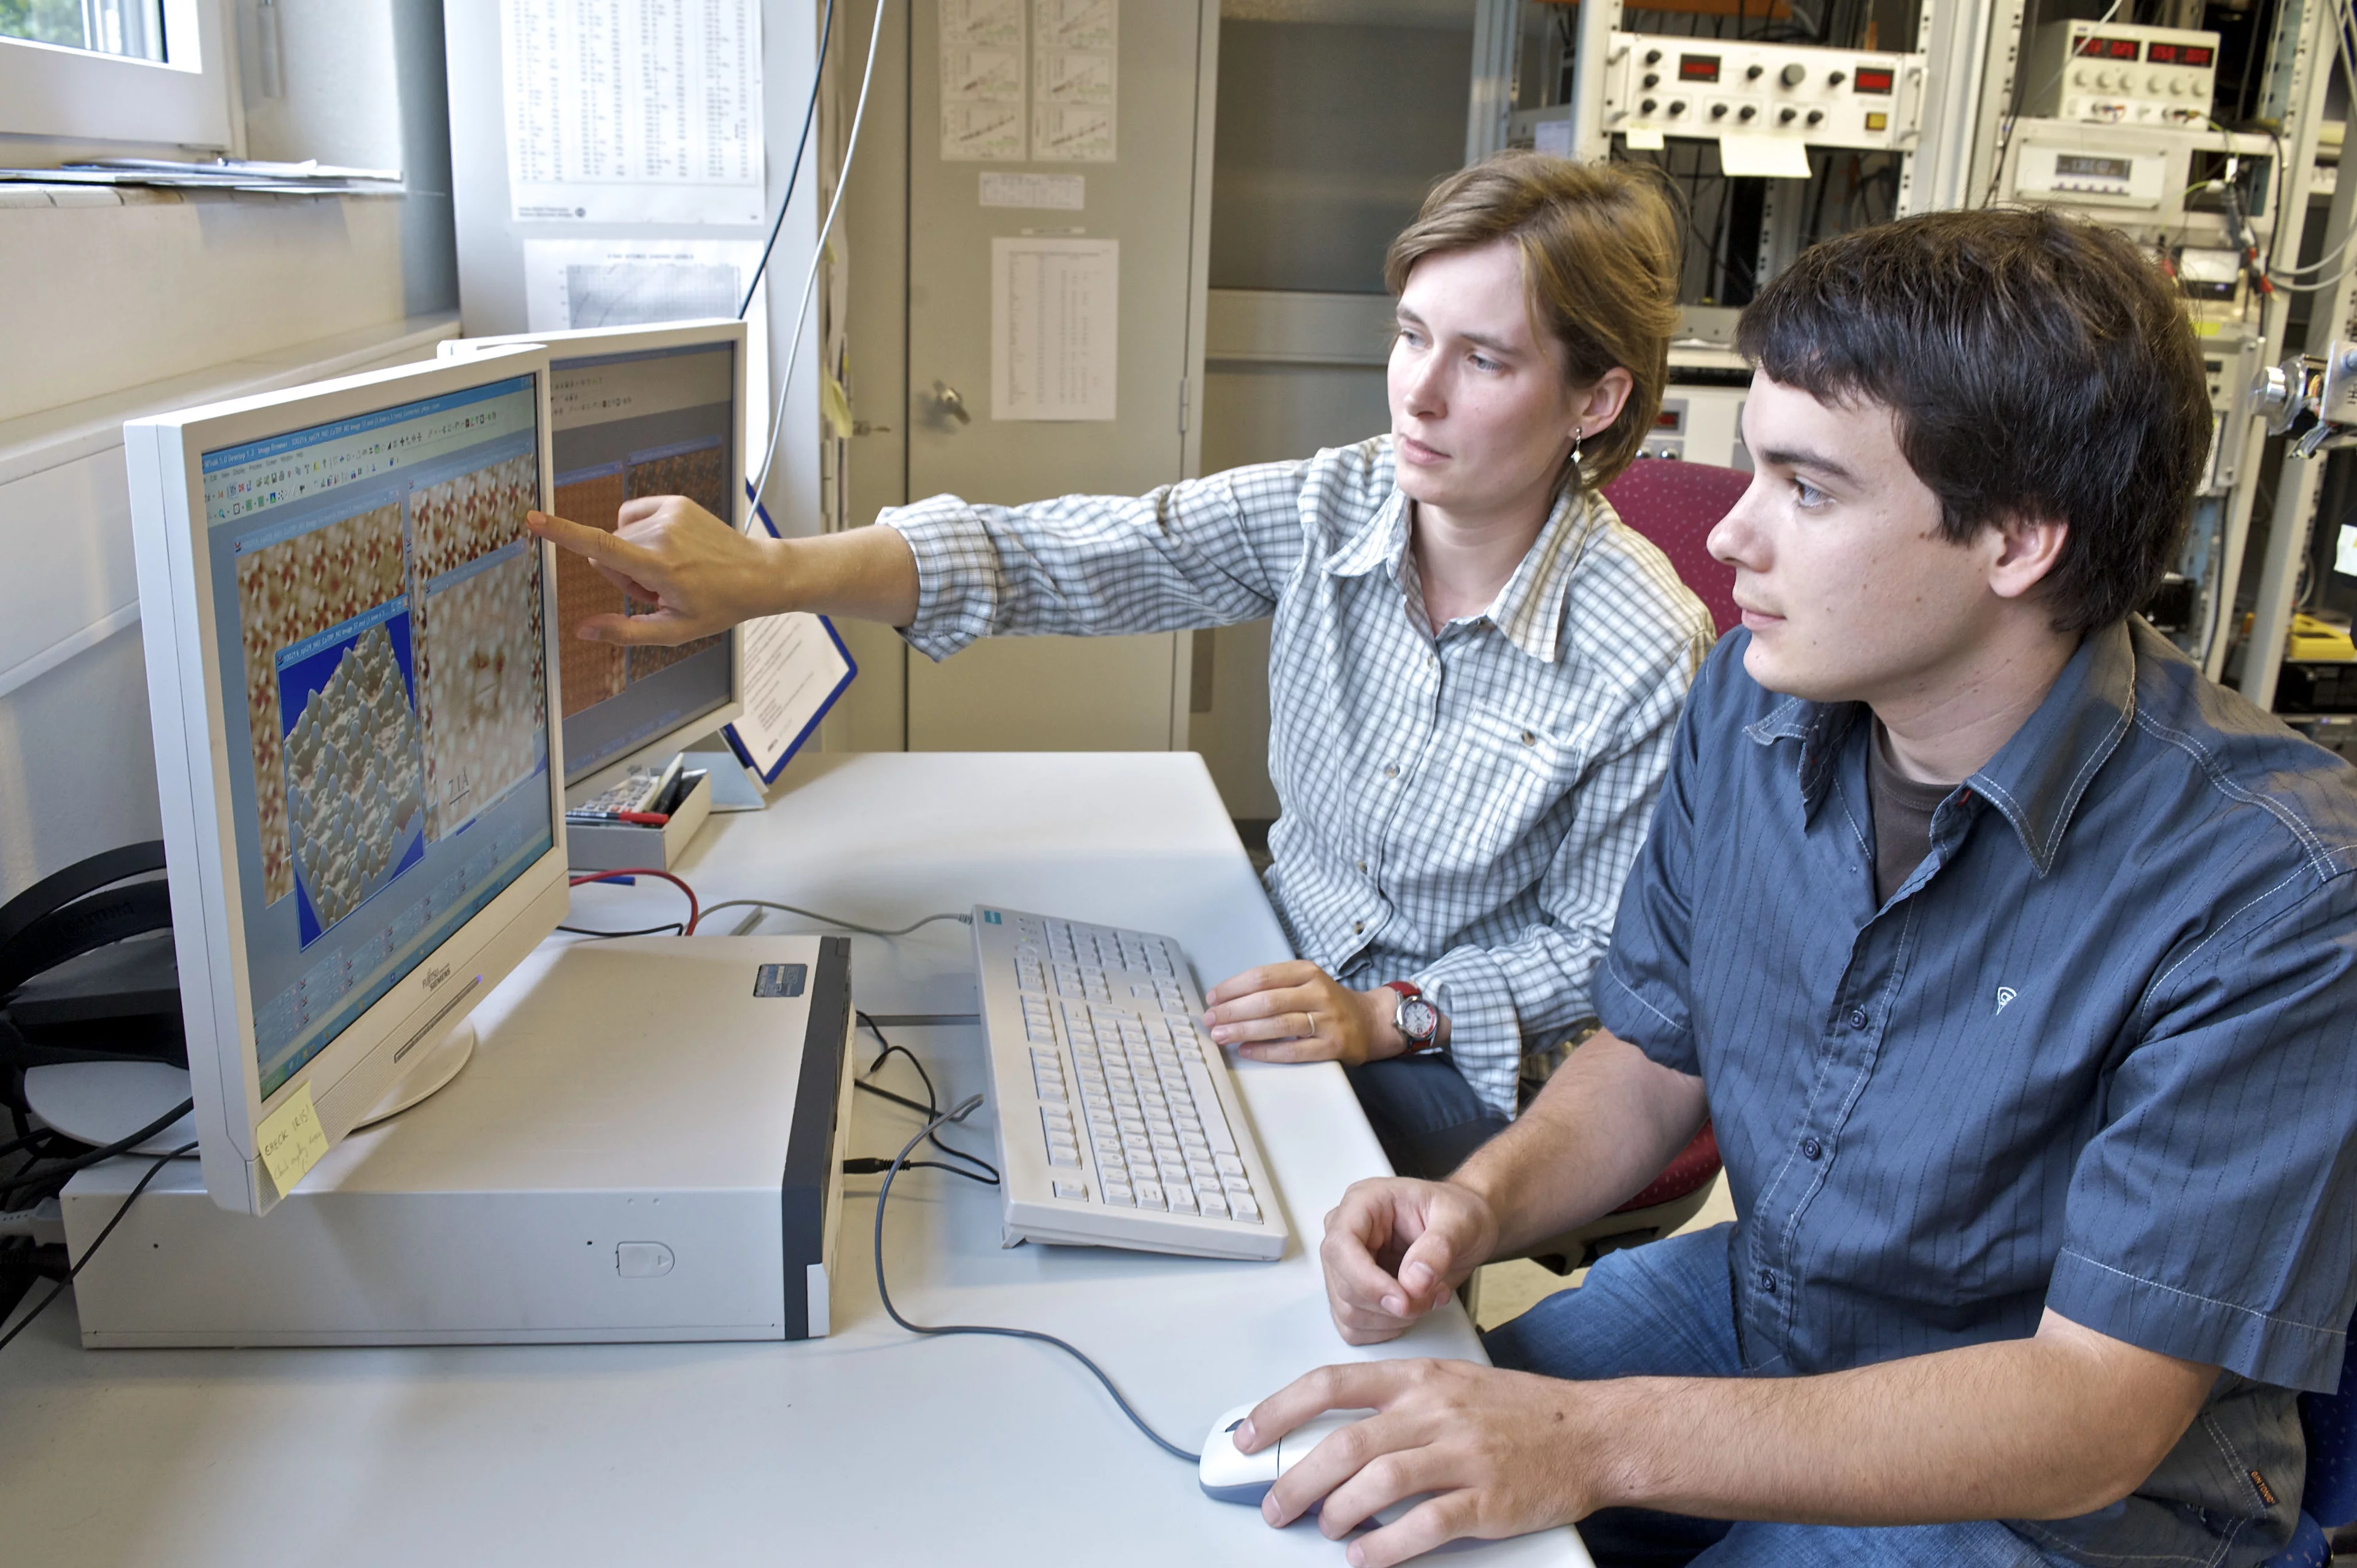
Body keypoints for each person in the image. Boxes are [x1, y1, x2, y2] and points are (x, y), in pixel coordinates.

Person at [1226, 207, 2357, 1567]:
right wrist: (1481, 1202)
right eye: (1751, 471)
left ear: (2017, 539)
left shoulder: (2272, 886)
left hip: (2061, 1491)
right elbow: (1652, 1054)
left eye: (1806, 490)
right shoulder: (1752, 707)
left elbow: (2095, 1411)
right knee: (1357, 1491)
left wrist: (1589, 1438)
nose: (1730, 541)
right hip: (1777, 1309)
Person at [525, 153, 1714, 1178]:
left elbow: (1602, 955)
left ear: (1595, 398)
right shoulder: (1330, 505)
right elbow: (1065, 555)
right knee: (1005, 1073)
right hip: (1281, 951)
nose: (1419, 390)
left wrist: (1380, 1015)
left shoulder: (1645, 649)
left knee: (1146, 1163)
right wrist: (767, 574)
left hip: (1450, 1055)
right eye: (1410, 336)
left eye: (1485, 361)